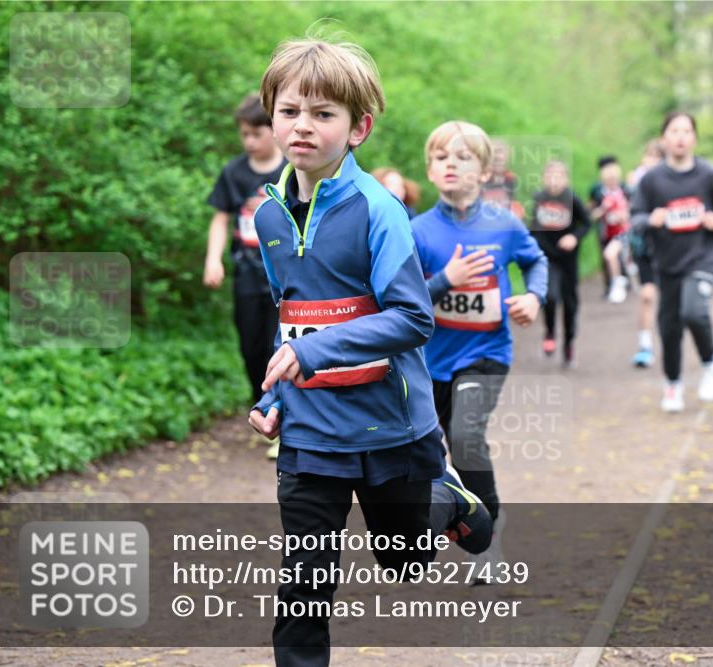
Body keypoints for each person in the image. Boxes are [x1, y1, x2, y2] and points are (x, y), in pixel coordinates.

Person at [247, 38, 491, 666]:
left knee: (404, 562)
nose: (303, 125)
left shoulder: (379, 210)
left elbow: (412, 318)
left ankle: (449, 498)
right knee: (305, 585)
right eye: (290, 109)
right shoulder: (269, 216)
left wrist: (319, 349)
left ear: (359, 127)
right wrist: (274, 395)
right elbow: (291, 321)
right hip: (311, 433)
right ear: (272, 114)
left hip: (391, 426)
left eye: (323, 113)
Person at [412, 120, 548, 581]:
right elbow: (404, 299)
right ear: (430, 170)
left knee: (467, 439)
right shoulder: (417, 232)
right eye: (441, 157)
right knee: (434, 454)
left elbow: (536, 260)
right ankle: (470, 520)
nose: (451, 164)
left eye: (463, 157)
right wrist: (445, 281)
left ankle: (489, 533)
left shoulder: (503, 224)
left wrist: (534, 296)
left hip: (487, 352)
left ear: (485, 169)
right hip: (431, 362)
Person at [631, 112, 713, 412]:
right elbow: (635, 215)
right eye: (674, 131)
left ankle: (710, 362)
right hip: (666, 262)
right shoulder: (651, 179)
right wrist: (651, 218)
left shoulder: (707, 174)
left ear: (694, 138)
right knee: (669, 328)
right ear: (664, 138)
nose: (680, 137)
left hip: (702, 256)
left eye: (686, 131)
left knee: (694, 311)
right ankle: (673, 385)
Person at [204, 93, 287, 459]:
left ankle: (283, 416)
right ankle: (263, 407)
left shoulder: (291, 170)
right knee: (251, 348)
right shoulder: (234, 172)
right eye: (244, 134)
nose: (250, 141)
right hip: (247, 276)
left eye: (256, 133)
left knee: (280, 346)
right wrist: (213, 260)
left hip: (285, 278)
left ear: (273, 130)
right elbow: (221, 217)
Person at [530, 160, 591, 368]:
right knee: (549, 296)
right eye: (550, 176)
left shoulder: (572, 199)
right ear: (544, 179)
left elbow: (587, 223)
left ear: (566, 179)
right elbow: (533, 228)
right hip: (548, 258)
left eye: (559, 176)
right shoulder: (539, 199)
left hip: (568, 261)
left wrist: (574, 237)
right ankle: (549, 332)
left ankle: (569, 343)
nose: (554, 181)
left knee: (570, 302)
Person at [627, 140, 664, 368]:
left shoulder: (675, 181)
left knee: (673, 300)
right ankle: (645, 344)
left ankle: (671, 341)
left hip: (672, 248)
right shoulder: (637, 182)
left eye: (656, 156)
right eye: (648, 155)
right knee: (647, 295)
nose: (651, 160)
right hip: (643, 246)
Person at [589, 156, 633, 303]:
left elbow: (633, 209)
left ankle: (622, 282)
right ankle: (612, 285)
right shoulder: (597, 191)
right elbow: (591, 212)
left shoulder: (625, 190)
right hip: (605, 231)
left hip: (623, 231)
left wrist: (625, 215)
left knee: (613, 255)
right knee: (607, 257)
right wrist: (603, 209)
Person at [480, 138, 526, 219]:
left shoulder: (511, 179)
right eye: (494, 152)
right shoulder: (481, 178)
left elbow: (511, 202)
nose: (497, 156)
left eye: (500, 151)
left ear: (507, 156)